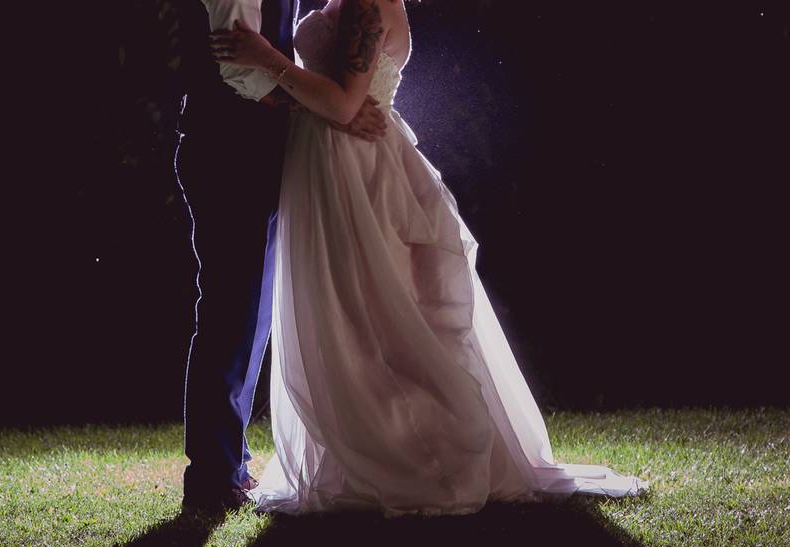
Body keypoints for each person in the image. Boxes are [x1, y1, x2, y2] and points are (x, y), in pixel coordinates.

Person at [210, 0, 649, 515]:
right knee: (347, 316)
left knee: (378, 316)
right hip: (324, 162)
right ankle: (353, 458)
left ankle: (417, 455)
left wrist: (267, 57)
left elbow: (346, 107)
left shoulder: (364, 5)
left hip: (354, 169)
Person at [176, 0, 389, 512]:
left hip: (265, 152)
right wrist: (333, 108)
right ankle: (211, 476)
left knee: (250, 312)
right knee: (232, 310)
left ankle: (230, 462)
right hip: (227, 149)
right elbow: (237, 69)